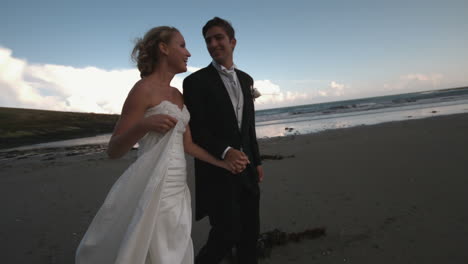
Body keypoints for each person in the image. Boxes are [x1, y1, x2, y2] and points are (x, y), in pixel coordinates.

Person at [76, 26, 236, 264]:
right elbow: (114, 150)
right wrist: (145, 125)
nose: (188, 52)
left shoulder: (178, 95)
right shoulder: (142, 90)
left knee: (175, 243)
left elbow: (188, 145)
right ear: (163, 48)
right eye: (182, 45)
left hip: (178, 187)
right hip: (153, 185)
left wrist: (223, 163)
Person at [183, 17, 264, 264]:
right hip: (216, 171)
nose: (213, 44)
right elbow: (197, 129)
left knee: (250, 232)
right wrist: (226, 151)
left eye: (219, 38)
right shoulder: (194, 82)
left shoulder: (246, 79)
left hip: (248, 169)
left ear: (233, 42)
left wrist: (257, 161)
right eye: (208, 40)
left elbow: (248, 127)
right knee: (225, 234)